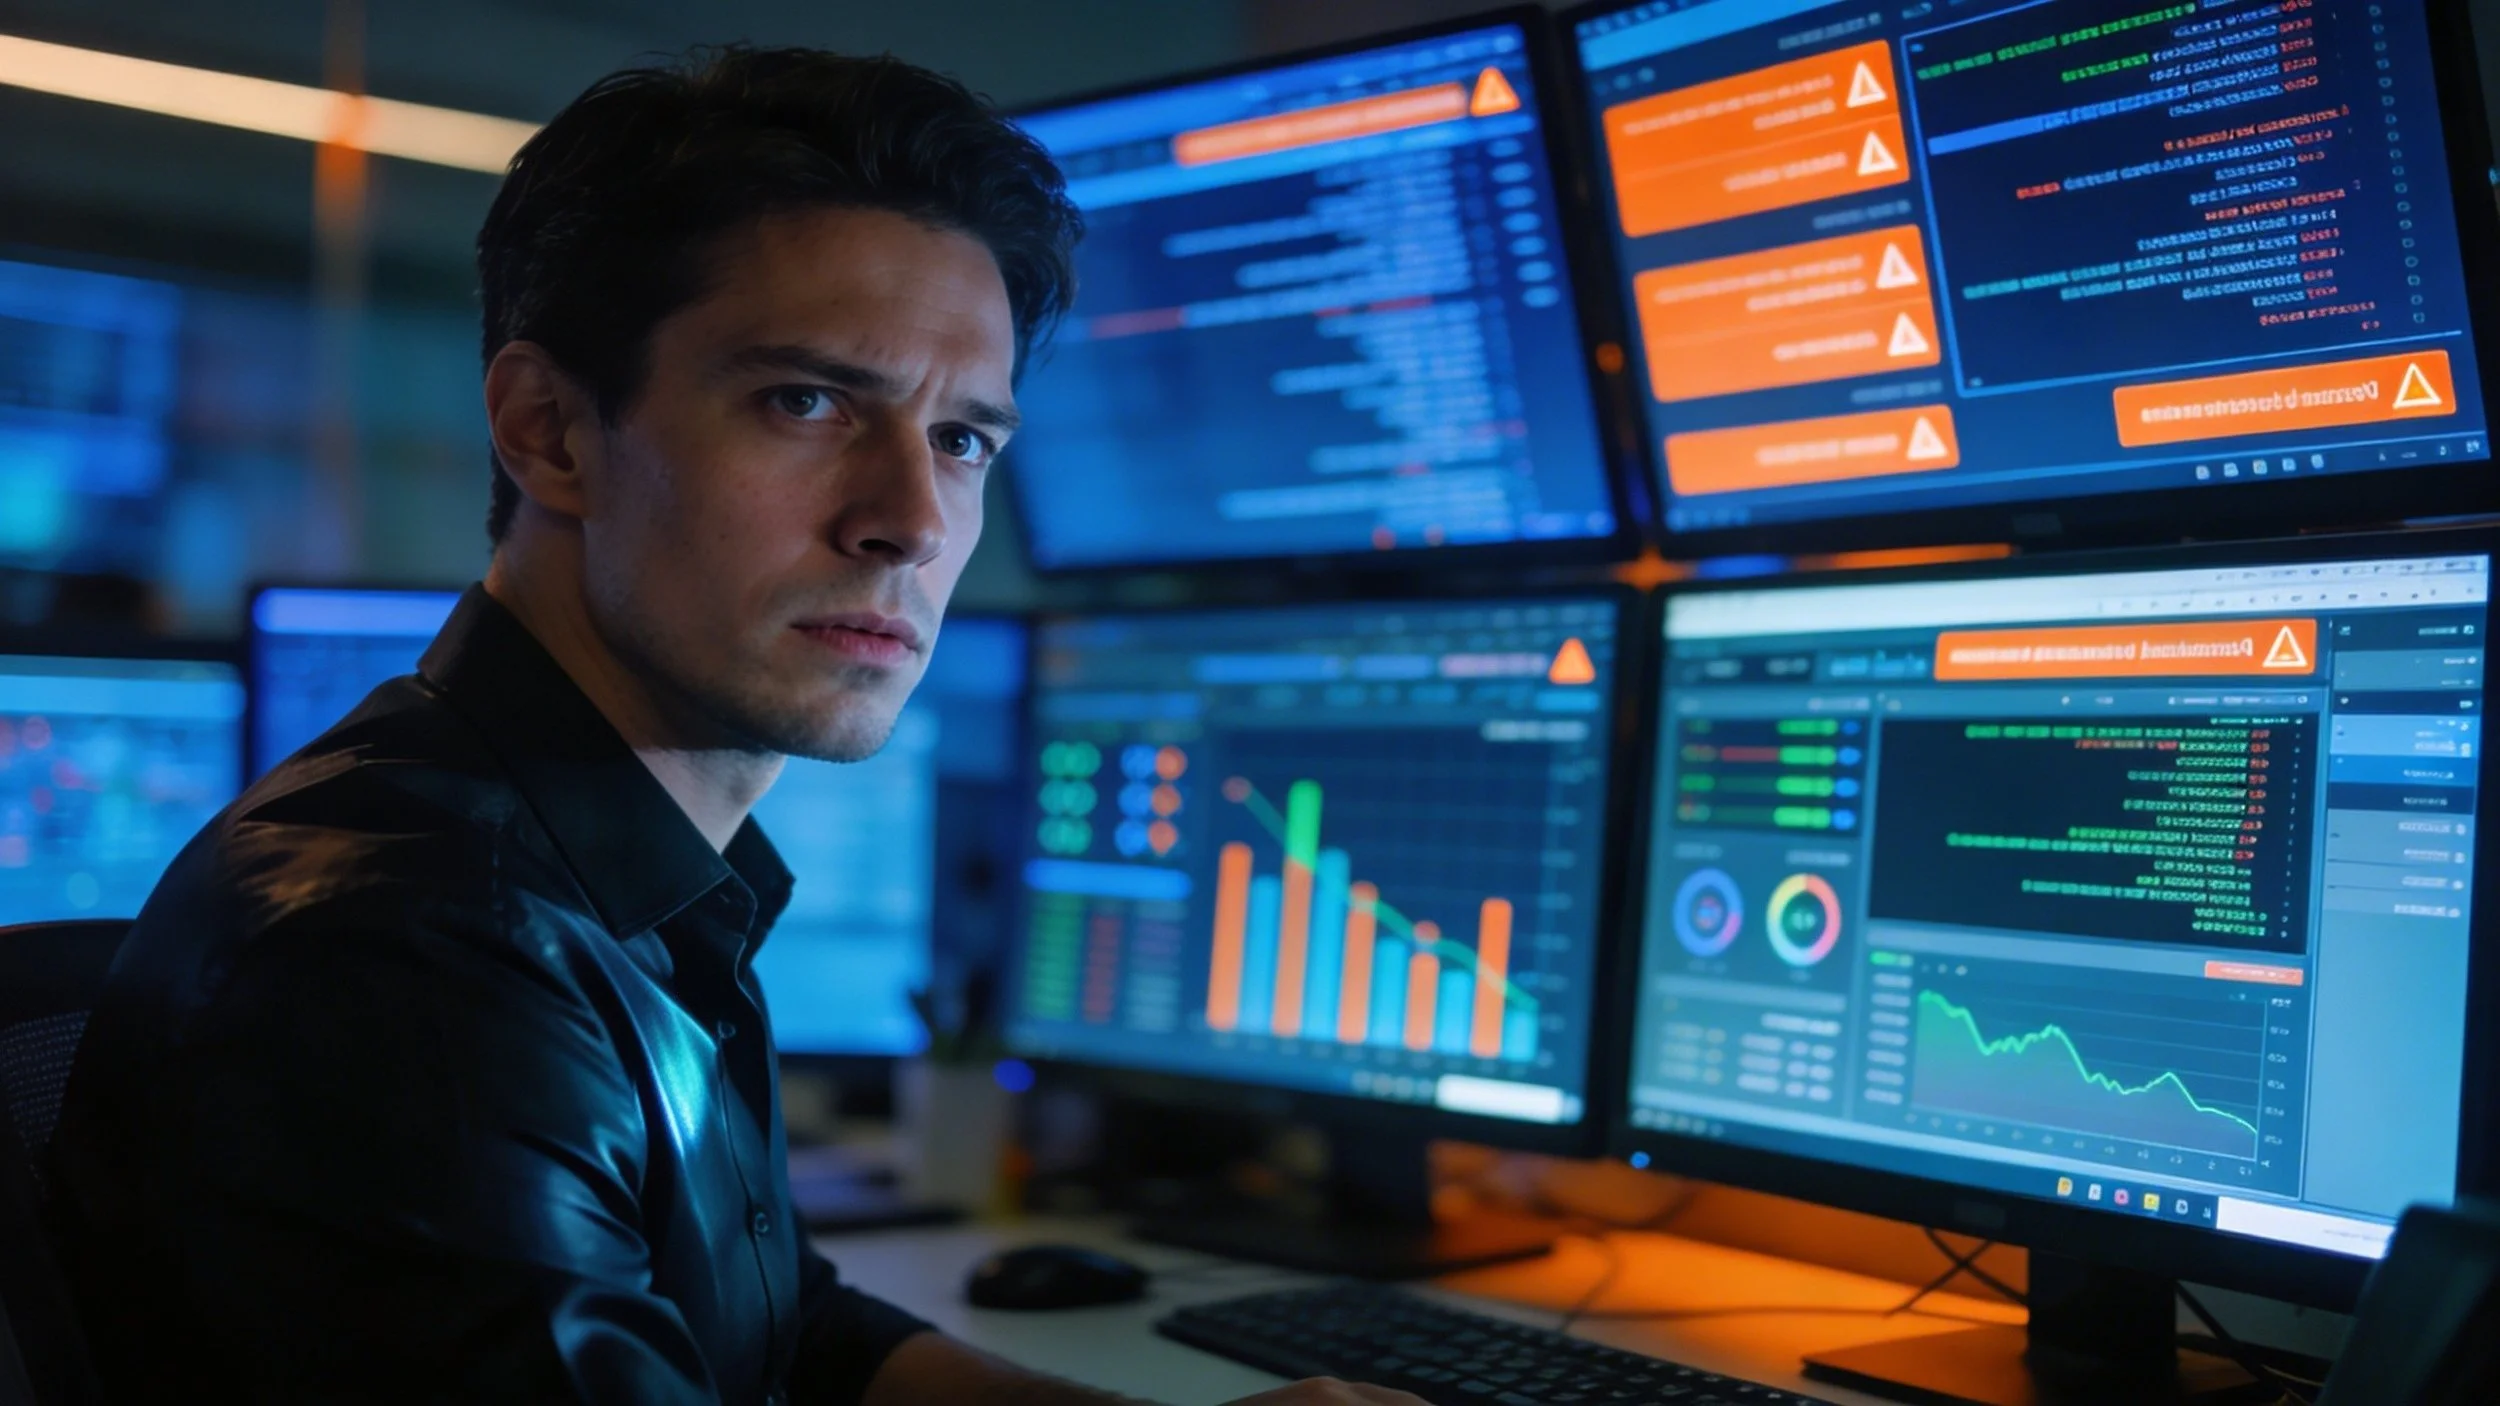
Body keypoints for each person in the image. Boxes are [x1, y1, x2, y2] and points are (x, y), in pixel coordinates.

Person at [50, 48, 1426, 1406]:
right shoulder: (412, 952)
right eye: (809, 400)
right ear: (551, 433)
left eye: (964, 439)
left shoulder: (620, 873)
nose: (913, 519)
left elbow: (774, 1328)